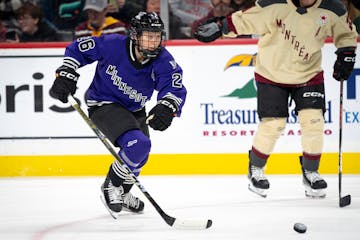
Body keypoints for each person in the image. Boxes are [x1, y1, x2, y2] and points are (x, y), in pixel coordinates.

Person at [194, 0, 357, 198]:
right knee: (273, 124)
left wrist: (347, 54)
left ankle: (311, 172)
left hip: (308, 74)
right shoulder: (274, 4)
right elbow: (246, 20)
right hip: (271, 73)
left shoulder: (333, 9)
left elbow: (347, 34)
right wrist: (221, 27)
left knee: (313, 121)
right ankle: (256, 168)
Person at [49, 11, 187, 218]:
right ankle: (111, 186)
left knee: (140, 155)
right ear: (135, 35)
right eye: (148, 36)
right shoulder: (112, 44)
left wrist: (167, 107)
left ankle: (122, 193)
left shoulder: (164, 60)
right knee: (138, 144)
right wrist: (67, 73)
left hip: (134, 108)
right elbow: (79, 48)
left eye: (157, 36)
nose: (154, 42)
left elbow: (174, 88)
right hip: (103, 103)